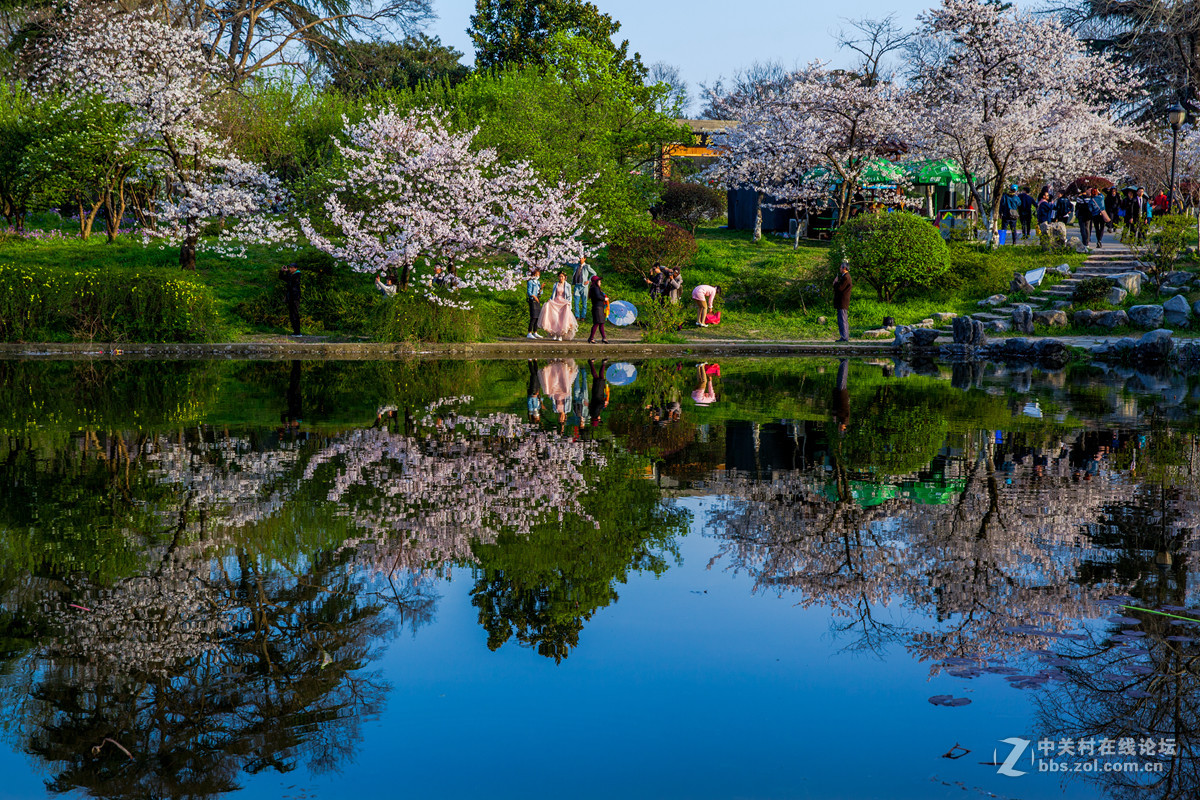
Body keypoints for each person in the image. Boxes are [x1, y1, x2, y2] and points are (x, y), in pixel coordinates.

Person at [538, 271, 578, 341]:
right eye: (560, 276)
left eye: (562, 276)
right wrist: (550, 300)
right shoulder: (556, 284)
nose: (561, 278)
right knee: (555, 318)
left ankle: (561, 335)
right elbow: (553, 294)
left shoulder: (567, 285)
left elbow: (569, 296)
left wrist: (569, 302)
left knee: (562, 319)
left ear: (565, 277)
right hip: (556, 301)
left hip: (563, 302)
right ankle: (555, 334)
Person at [571, 255, 596, 320]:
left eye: (581, 258)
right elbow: (568, 263)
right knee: (576, 302)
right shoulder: (576, 265)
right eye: (579, 258)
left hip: (584, 286)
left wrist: (589, 280)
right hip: (577, 285)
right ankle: (577, 316)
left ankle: (583, 316)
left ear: (584, 259)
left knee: (584, 301)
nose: (580, 259)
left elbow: (594, 273)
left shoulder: (587, 266)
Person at [832, 261, 852, 342]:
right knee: (842, 319)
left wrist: (835, 283)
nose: (840, 269)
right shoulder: (845, 277)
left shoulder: (846, 277)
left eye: (841, 267)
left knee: (842, 319)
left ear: (844, 268)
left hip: (842, 302)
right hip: (842, 302)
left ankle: (844, 337)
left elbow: (840, 288)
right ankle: (844, 336)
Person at [281, 263, 302, 336]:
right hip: (290, 297)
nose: (290, 269)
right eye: (289, 267)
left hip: (295, 297)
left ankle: (297, 331)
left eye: (291, 268)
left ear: (295, 268)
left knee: (294, 314)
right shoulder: (291, 275)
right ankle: (295, 331)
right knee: (291, 314)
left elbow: (291, 280)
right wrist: (282, 271)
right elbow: (282, 277)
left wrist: (287, 272)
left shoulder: (297, 275)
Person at [587, 275, 609, 344]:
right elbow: (598, 296)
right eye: (599, 281)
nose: (600, 283)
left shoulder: (595, 288)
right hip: (597, 308)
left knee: (601, 323)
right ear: (596, 282)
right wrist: (604, 299)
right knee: (597, 323)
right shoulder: (595, 288)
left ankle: (604, 338)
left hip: (599, 307)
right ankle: (591, 338)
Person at [526, 268, 544, 340]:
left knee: (537, 317)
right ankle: (529, 332)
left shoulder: (538, 282)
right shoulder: (530, 282)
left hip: (537, 300)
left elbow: (540, 293)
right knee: (533, 316)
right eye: (536, 275)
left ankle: (535, 332)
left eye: (538, 275)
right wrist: (534, 296)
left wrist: (541, 288)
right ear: (533, 275)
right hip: (533, 300)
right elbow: (529, 292)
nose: (537, 276)